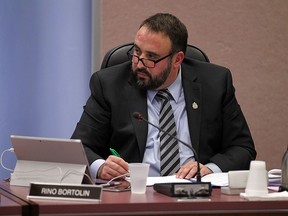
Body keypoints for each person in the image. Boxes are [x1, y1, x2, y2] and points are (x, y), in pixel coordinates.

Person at [71, 13, 256, 180]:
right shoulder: (109, 84)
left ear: (177, 59)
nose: (139, 63)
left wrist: (210, 169)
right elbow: (80, 148)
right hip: (132, 192)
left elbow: (242, 148)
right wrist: (101, 167)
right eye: (136, 51)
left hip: (195, 193)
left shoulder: (215, 83)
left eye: (151, 56)